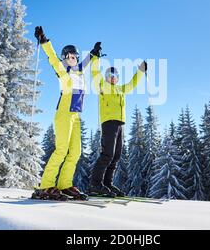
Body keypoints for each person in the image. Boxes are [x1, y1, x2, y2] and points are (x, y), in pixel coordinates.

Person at [32, 26, 102, 201]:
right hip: (63, 113)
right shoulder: (62, 70)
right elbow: (52, 58)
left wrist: (94, 53)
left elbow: (86, 62)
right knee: (62, 149)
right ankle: (46, 185)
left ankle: (64, 184)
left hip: (76, 115)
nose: (73, 58)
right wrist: (44, 40)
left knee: (76, 152)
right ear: (65, 58)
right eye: (70, 56)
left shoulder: (78, 70)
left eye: (75, 56)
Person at [89, 52, 147, 197]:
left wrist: (141, 70)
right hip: (108, 123)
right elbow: (95, 72)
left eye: (115, 76)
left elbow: (133, 83)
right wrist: (95, 57)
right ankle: (95, 184)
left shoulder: (121, 89)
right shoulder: (102, 86)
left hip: (120, 124)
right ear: (106, 77)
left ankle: (107, 184)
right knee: (107, 154)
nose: (112, 78)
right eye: (109, 75)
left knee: (116, 156)